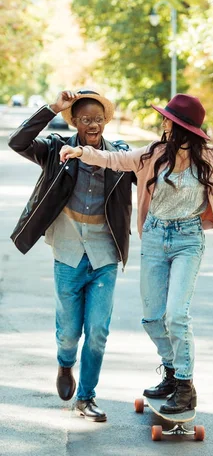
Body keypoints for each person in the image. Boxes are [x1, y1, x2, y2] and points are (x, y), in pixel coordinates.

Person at [60, 93, 213, 414]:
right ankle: (170, 369)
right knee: (153, 318)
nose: (163, 122)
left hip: (188, 239)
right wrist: (80, 151)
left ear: (180, 127)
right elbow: (113, 160)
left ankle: (184, 384)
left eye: (168, 119)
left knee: (176, 316)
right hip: (154, 238)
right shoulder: (152, 154)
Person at [9, 89, 137, 422]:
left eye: (98, 119)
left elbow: (152, 170)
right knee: (69, 333)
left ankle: (87, 397)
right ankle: (66, 364)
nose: (93, 125)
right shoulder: (55, 150)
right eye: (85, 119)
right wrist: (51, 108)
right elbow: (18, 142)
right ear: (74, 122)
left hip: (105, 254)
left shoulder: (119, 156)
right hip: (68, 251)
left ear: (106, 120)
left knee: (97, 331)